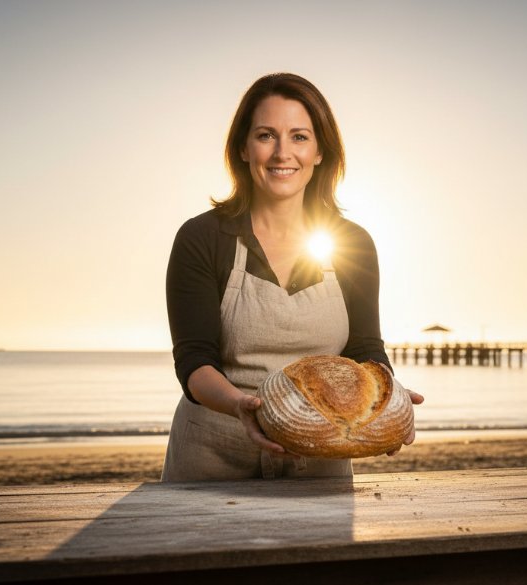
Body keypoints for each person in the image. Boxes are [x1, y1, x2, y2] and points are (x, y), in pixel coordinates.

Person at [161, 72, 422, 482]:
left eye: (299, 136)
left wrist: (388, 401)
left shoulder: (352, 243)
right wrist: (239, 406)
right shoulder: (202, 238)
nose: (283, 153)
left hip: (324, 457)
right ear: (243, 149)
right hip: (213, 455)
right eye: (266, 135)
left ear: (320, 151)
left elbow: (365, 347)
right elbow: (194, 361)